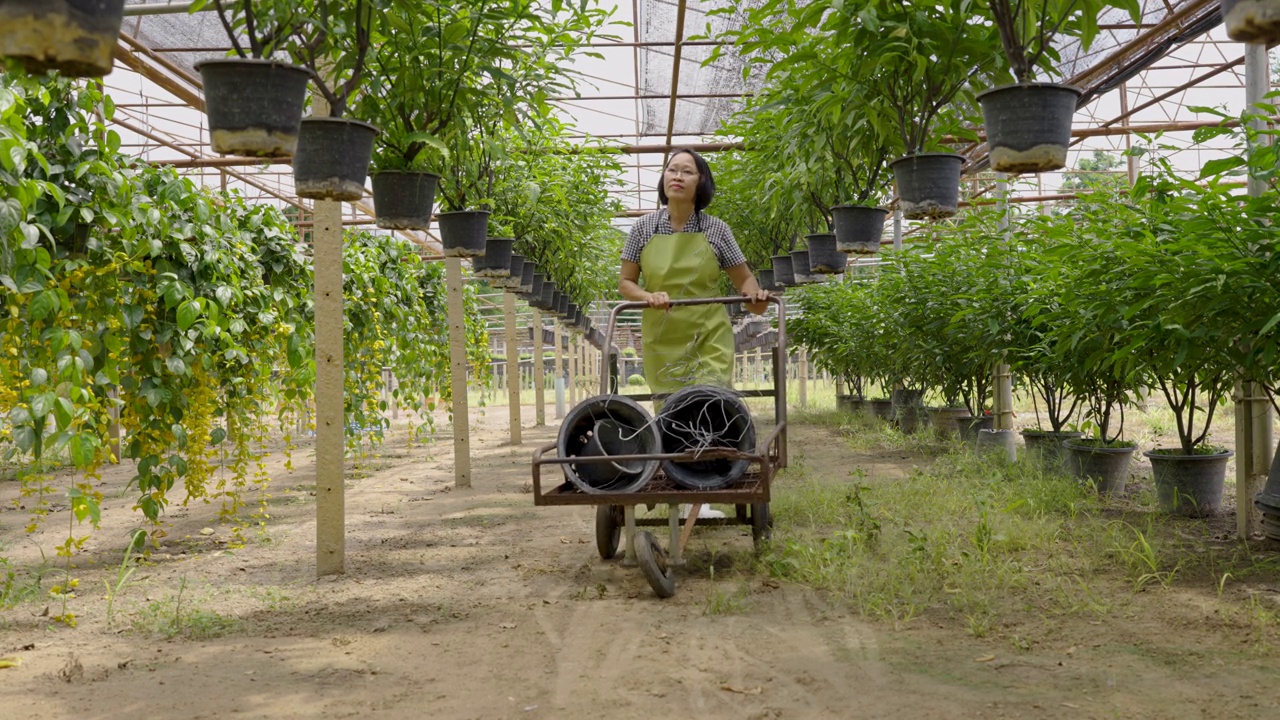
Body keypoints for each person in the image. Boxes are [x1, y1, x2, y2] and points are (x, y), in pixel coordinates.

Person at [618, 148, 770, 395]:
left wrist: (754, 296)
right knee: (671, 411)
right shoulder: (643, 228)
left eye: (687, 172)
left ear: (701, 183)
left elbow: (745, 280)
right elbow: (626, 282)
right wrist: (648, 297)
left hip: (709, 334)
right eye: (672, 170)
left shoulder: (716, 230)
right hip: (662, 337)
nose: (677, 176)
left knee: (710, 398)